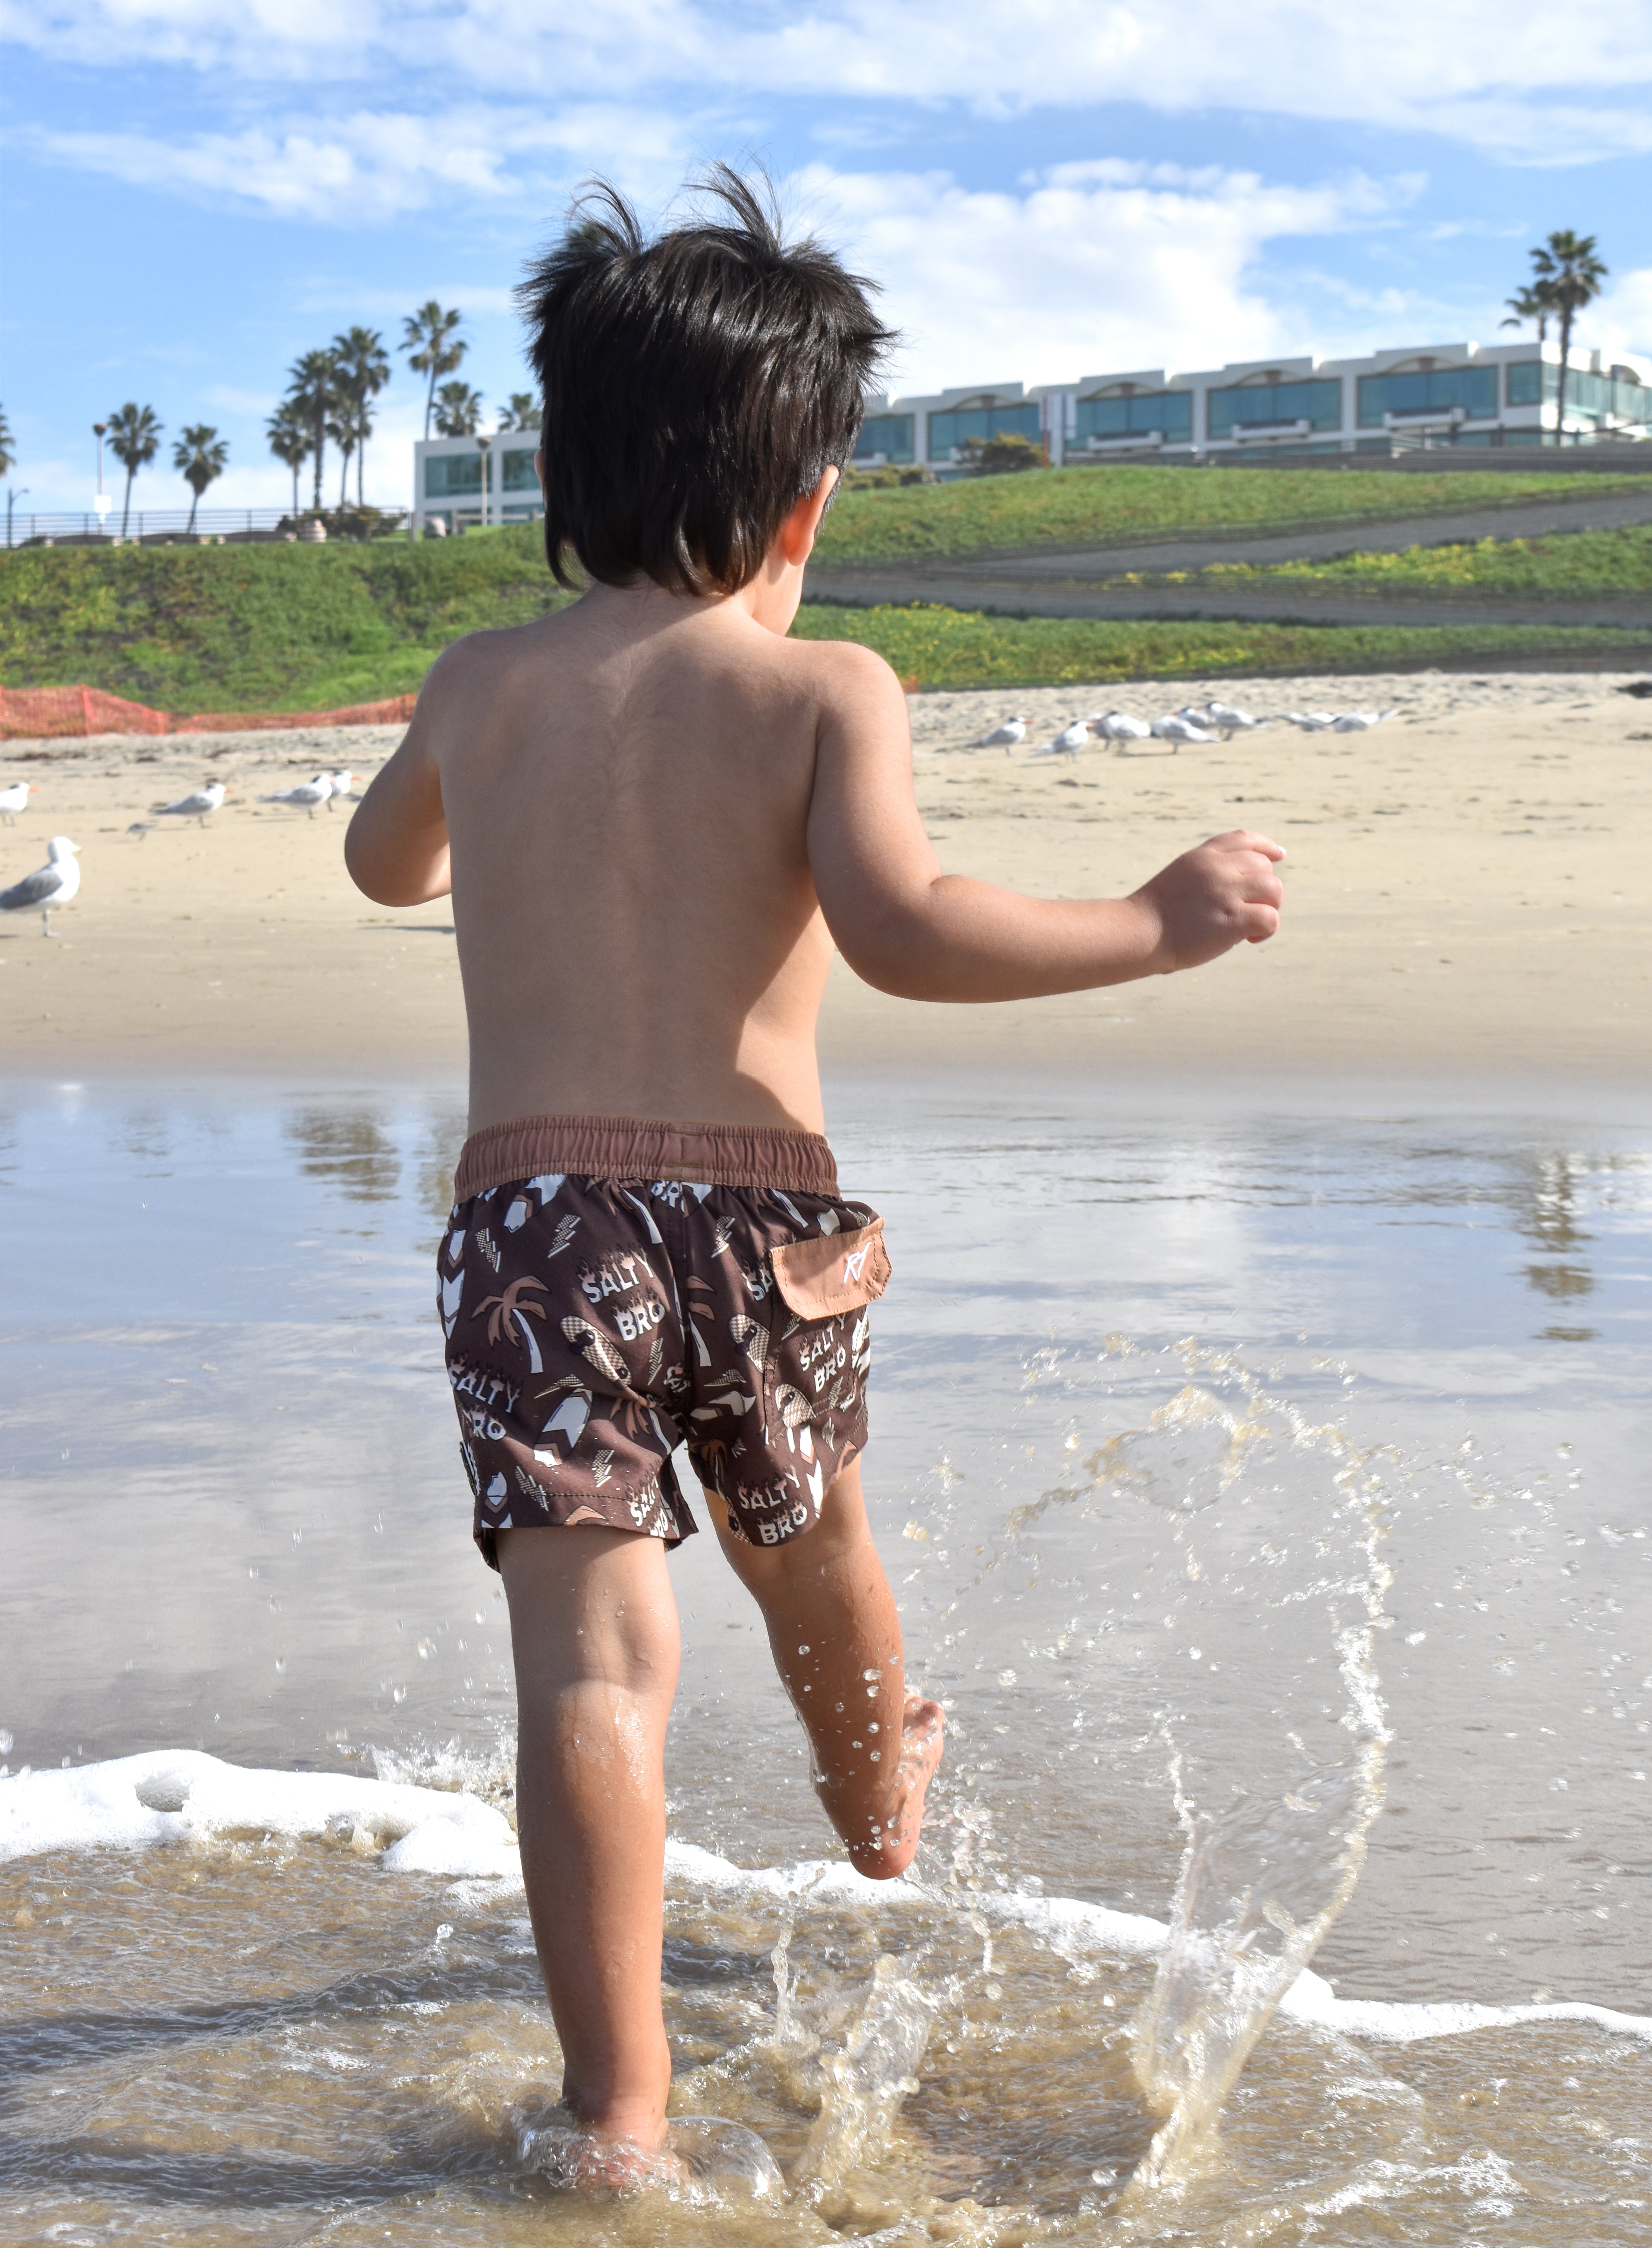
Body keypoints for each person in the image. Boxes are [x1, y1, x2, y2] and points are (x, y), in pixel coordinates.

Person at [344, 169, 1285, 2178]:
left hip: (533, 1228)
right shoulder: (822, 686)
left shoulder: (479, 685)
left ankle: (618, 2121)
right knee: (813, 1554)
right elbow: (909, 927)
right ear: (808, 502)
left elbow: (379, 866)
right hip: (754, 1221)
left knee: (597, 1659)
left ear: (563, 473)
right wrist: (1151, 920)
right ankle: (880, 1825)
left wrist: (471, 799)